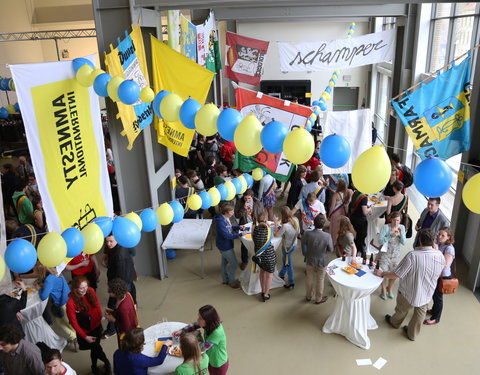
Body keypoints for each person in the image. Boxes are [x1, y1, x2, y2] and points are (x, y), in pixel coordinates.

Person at [375, 229, 445, 341]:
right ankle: (412, 334)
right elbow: (441, 271)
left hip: (408, 292)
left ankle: (395, 323)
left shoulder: (413, 255)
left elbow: (397, 274)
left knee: (402, 309)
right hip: (427, 293)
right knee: (419, 315)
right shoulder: (440, 255)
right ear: (433, 241)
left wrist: (382, 273)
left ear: (420, 240)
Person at [66, 276, 111, 375]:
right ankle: (107, 363)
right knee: (97, 348)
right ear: (75, 289)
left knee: (95, 348)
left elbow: (97, 305)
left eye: (85, 286)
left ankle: (94, 367)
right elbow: (74, 322)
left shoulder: (90, 290)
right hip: (87, 331)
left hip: (97, 326)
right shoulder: (71, 302)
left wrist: (100, 318)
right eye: (81, 288)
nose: (84, 290)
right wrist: (85, 336)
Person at [173, 305, 229, 375]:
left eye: (200, 318)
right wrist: (182, 331)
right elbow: (195, 325)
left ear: (208, 320)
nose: (197, 319)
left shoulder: (217, 333)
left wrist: (186, 344)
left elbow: (201, 348)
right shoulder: (209, 324)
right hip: (210, 358)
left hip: (218, 363)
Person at [104, 235, 137, 338]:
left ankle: (111, 329)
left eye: (110, 241)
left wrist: (113, 289)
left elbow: (120, 277)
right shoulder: (120, 246)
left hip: (120, 284)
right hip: (123, 283)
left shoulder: (119, 256)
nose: (108, 244)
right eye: (107, 241)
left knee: (114, 307)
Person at [35, 267, 77, 349]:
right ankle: (74, 337)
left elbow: (43, 297)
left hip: (62, 303)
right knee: (69, 321)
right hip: (68, 299)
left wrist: (39, 289)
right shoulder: (58, 273)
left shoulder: (48, 280)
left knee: (61, 322)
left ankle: (74, 337)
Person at [424, 227, 456, 325]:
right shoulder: (440, 244)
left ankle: (436, 318)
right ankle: (434, 310)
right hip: (437, 274)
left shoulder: (449, 248)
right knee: (434, 294)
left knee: (438, 297)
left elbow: (445, 265)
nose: (439, 236)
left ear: (448, 237)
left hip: (443, 276)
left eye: (443, 235)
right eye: (439, 234)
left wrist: (437, 251)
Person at [376, 212, 406, 300]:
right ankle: (383, 290)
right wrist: (390, 236)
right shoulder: (386, 227)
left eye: (398, 220)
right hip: (385, 254)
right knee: (383, 272)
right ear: (391, 219)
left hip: (396, 255)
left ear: (400, 220)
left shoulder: (402, 228)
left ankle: (389, 288)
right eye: (394, 220)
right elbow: (380, 241)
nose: (396, 222)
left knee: (394, 273)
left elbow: (404, 242)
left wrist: (400, 235)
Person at [214, 204, 243, 288]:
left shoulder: (225, 218)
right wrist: (240, 234)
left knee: (224, 263)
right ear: (226, 212)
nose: (233, 212)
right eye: (232, 211)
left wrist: (238, 227)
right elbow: (226, 235)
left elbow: (229, 227)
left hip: (225, 245)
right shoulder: (220, 222)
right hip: (225, 246)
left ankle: (225, 280)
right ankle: (231, 281)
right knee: (234, 264)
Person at [234, 189, 263, 270]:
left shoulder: (257, 202)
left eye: (249, 198)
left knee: (257, 241)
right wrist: (243, 208)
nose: (247, 200)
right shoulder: (240, 202)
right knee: (244, 244)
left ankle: (257, 258)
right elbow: (237, 215)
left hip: (255, 224)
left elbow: (261, 213)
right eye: (245, 198)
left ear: (252, 197)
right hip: (244, 224)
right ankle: (244, 261)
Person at [105, 278, 138, 346]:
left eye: (109, 291)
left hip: (127, 335)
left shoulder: (123, 308)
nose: (107, 291)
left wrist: (113, 319)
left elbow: (126, 327)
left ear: (115, 293)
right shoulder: (127, 295)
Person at [292, 192, 326, 257]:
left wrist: (314, 222)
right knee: (304, 251)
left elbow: (324, 218)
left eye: (312, 202)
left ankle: (310, 261)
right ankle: (308, 259)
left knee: (314, 249)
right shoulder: (302, 202)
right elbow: (293, 211)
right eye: (308, 202)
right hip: (305, 230)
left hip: (316, 231)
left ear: (316, 199)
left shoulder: (320, 205)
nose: (310, 204)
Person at [252, 211, 276, 301]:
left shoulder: (254, 228)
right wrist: (276, 222)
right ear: (266, 220)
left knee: (262, 272)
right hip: (269, 256)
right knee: (269, 275)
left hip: (260, 257)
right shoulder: (269, 229)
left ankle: (262, 291)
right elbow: (272, 237)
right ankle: (266, 294)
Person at [274, 206, 300, 289]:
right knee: (286, 260)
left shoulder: (285, 226)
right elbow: (298, 231)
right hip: (294, 244)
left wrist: (276, 224)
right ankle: (281, 274)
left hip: (287, 246)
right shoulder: (296, 220)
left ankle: (291, 282)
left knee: (288, 263)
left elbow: (277, 234)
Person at [328, 178, 352, 245]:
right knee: (342, 229)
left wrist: (329, 215)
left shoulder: (336, 194)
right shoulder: (349, 192)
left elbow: (332, 207)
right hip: (344, 213)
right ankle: (341, 244)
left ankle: (334, 244)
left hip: (336, 214)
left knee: (334, 230)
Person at [348, 189, 371, 256]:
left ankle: (355, 251)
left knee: (355, 236)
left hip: (353, 218)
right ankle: (359, 252)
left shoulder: (355, 193)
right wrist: (370, 209)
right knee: (361, 237)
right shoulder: (363, 197)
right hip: (360, 220)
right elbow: (365, 212)